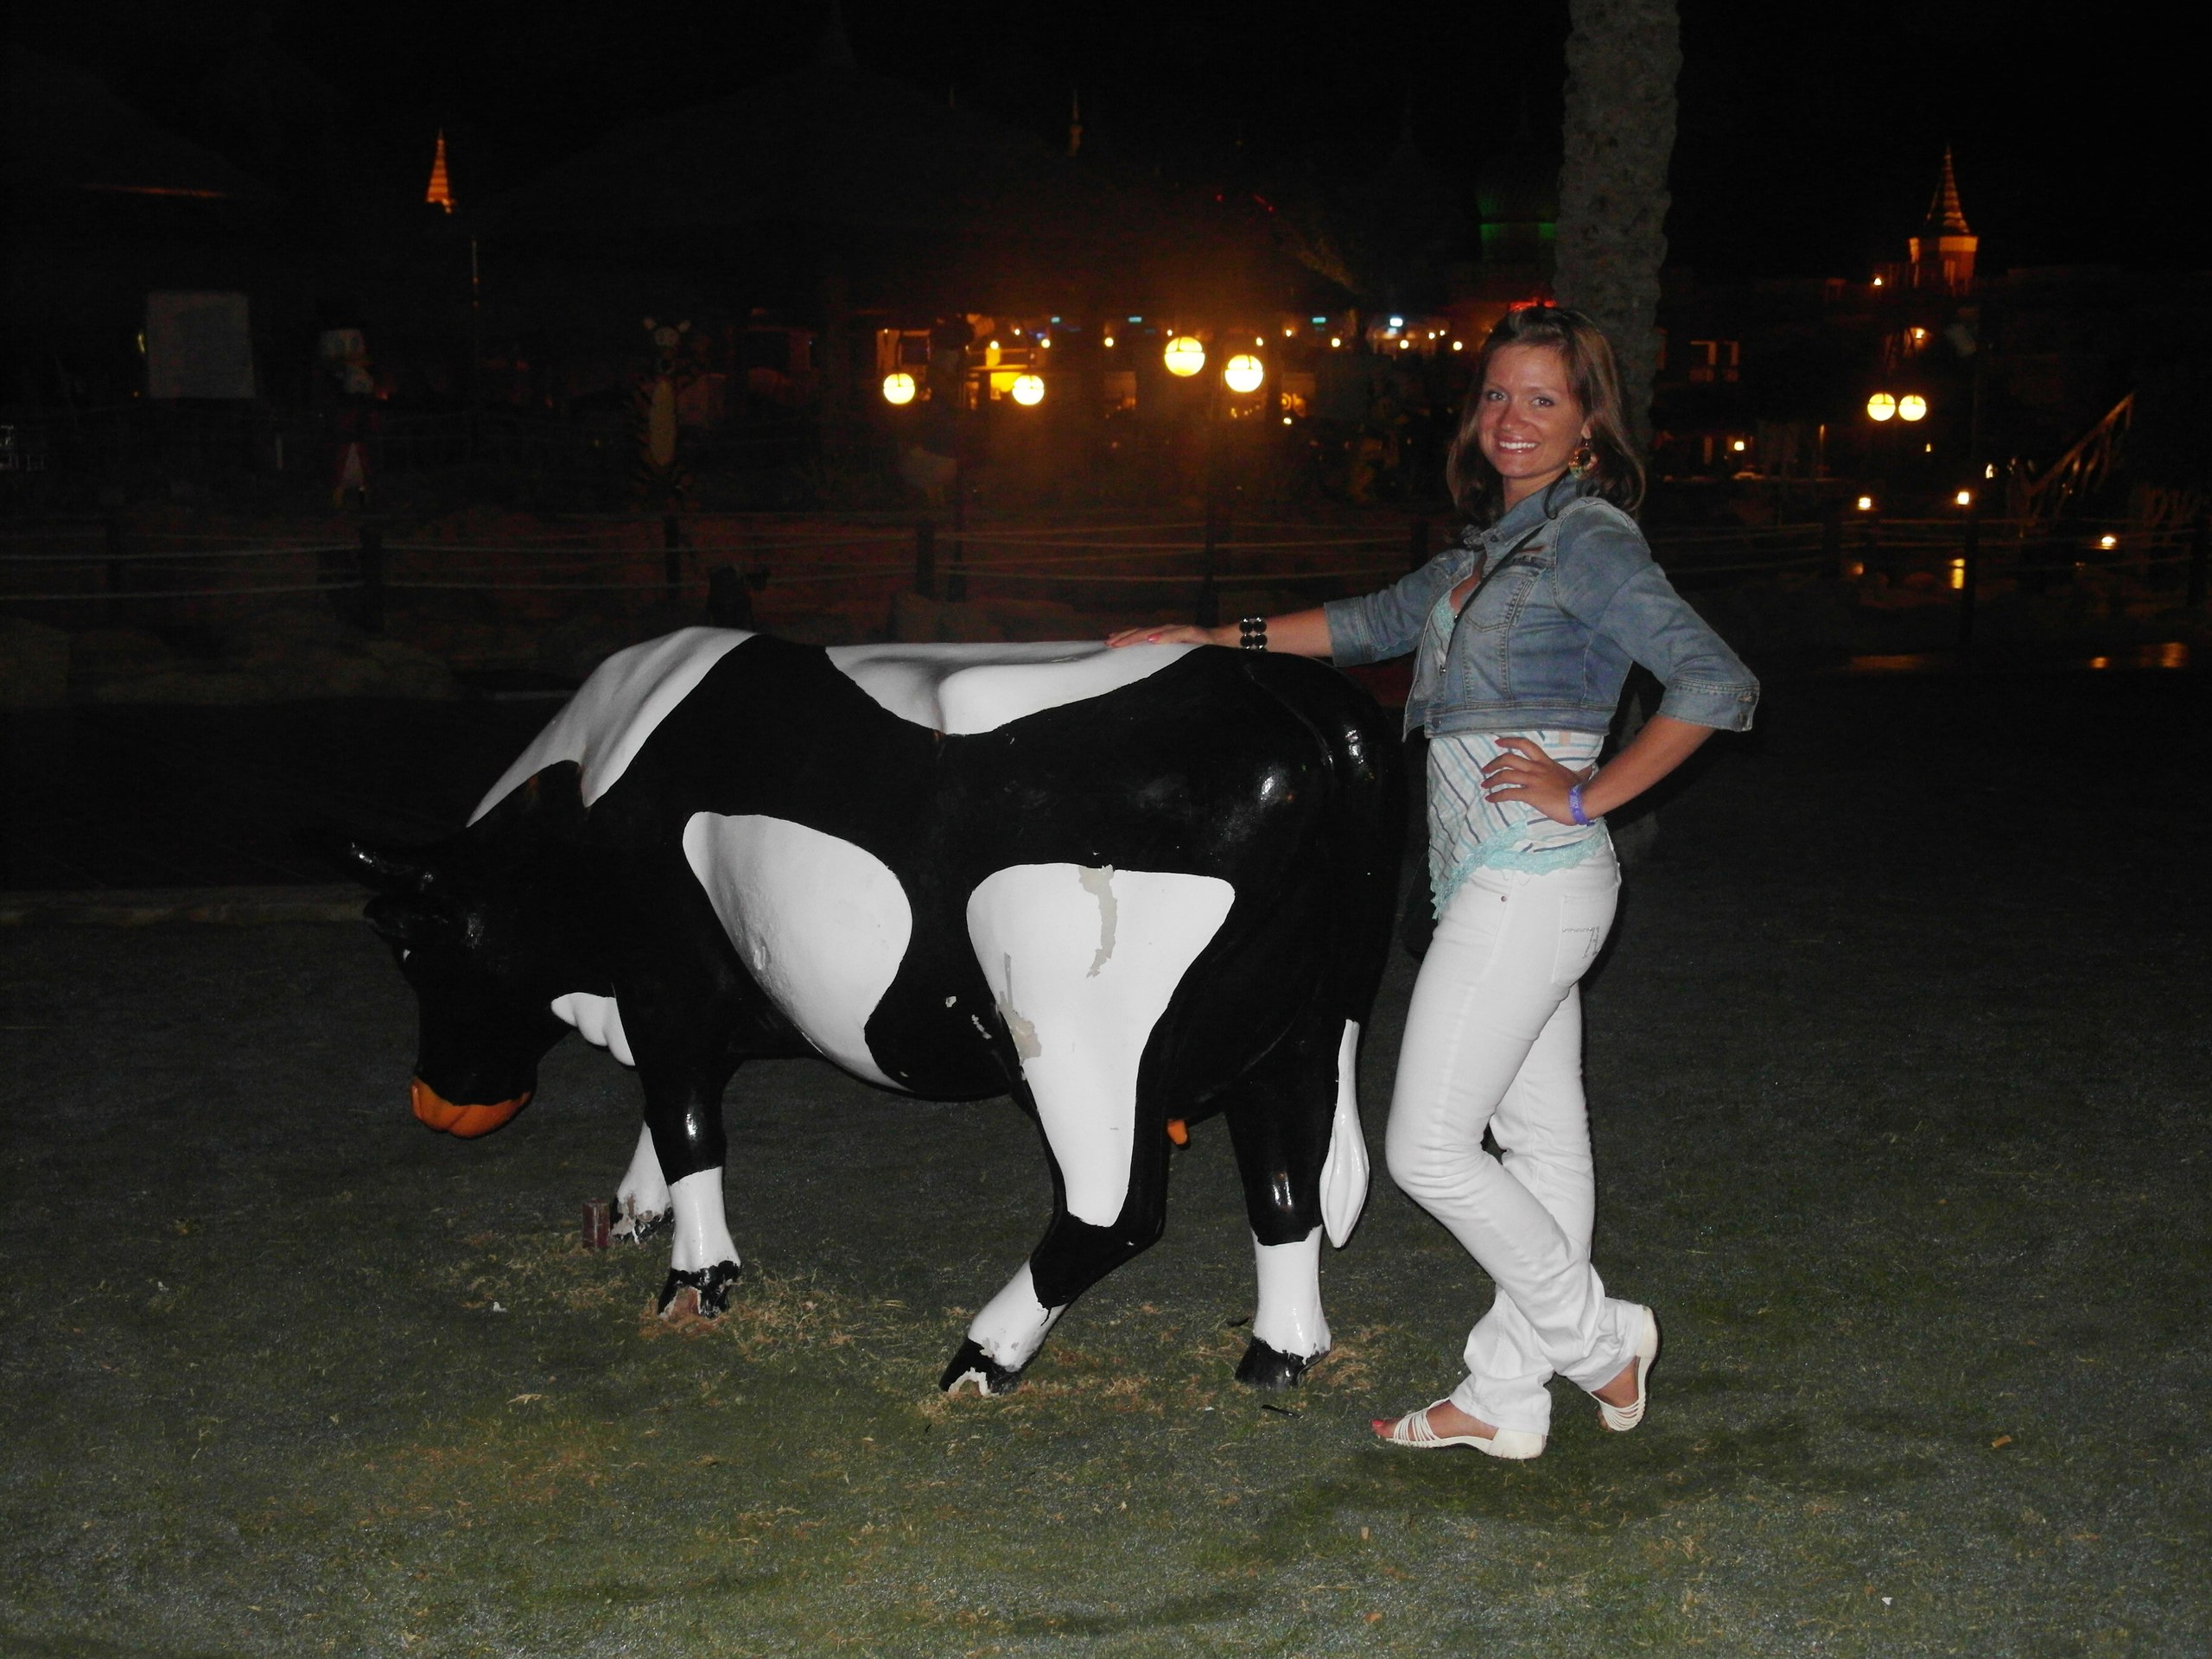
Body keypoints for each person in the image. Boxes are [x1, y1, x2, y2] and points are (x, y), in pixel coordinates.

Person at [1106, 305, 1758, 1459]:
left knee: (1429, 1150)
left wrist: (1588, 793)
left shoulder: (1589, 540)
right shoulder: (1483, 551)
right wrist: (1212, 638)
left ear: (1589, 425)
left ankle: (1598, 1338)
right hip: (1494, 881)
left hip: (1534, 875)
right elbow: (1365, 624)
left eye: (1543, 399)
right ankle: (1505, 1396)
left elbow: (1717, 682)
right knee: (1541, 1148)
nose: (1512, 418)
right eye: (1498, 394)